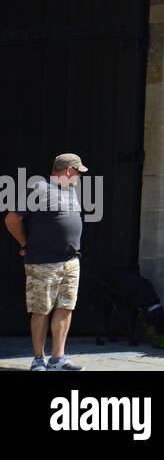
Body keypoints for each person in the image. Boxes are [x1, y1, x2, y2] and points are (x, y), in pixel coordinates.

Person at [3, 154, 88, 370]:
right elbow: (12, 219)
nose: (79, 177)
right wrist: (25, 243)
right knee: (41, 309)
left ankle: (58, 359)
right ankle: (38, 359)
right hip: (43, 262)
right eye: (78, 172)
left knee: (66, 307)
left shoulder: (71, 192)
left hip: (70, 261)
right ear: (68, 171)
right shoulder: (38, 188)